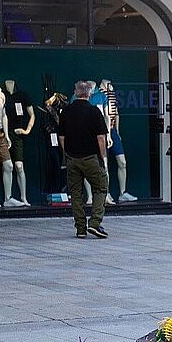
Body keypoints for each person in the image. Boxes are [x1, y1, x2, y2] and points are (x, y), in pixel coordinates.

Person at [59, 81, 110, 239]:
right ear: (89, 93)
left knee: (75, 193)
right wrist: (103, 157)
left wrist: (66, 152)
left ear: (75, 92)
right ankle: (94, 223)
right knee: (101, 188)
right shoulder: (94, 111)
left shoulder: (66, 111)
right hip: (90, 157)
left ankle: (80, 228)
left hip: (72, 158)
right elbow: (101, 137)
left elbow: (61, 137)